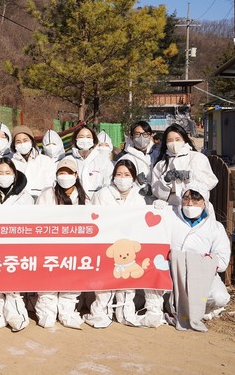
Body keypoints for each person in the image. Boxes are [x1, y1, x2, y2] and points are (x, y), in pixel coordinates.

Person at [88, 159, 147, 328]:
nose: (122, 178)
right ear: (113, 176)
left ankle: (125, 312)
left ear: (133, 177)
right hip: (106, 244)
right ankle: (101, 312)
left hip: (128, 246)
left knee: (127, 279)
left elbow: (141, 222)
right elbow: (94, 217)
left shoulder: (138, 198)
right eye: (119, 174)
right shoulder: (102, 194)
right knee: (104, 280)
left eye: (127, 175)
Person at [0, 158, 34, 332]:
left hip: (15, 243)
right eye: (0, 173)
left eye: (8, 173)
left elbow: (28, 222)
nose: (4, 176)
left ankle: (16, 314)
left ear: (15, 175)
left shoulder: (25, 196)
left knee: (13, 279)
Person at [35, 157, 88, 329]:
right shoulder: (47, 194)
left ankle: (67, 312)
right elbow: (38, 219)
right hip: (50, 245)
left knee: (71, 279)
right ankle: (46, 312)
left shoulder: (84, 197)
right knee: (48, 280)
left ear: (76, 175)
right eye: (61, 173)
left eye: (69, 173)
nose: (65, 176)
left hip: (74, 247)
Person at [168, 182, 231, 327]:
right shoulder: (170, 218)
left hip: (202, 276)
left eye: (196, 200)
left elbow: (222, 262)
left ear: (204, 202)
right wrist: (155, 210)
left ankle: (203, 310)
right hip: (173, 274)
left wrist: (195, 262)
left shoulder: (215, 227)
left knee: (219, 297)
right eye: (186, 199)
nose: (190, 204)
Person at [151, 124, 218, 207]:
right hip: (170, 207)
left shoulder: (197, 157)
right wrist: (165, 181)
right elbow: (155, 191)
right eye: (170, 140)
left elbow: (211, 181)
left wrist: (190, 175)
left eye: (177, 139)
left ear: (184, 139)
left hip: (194, 206)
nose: (174, 143)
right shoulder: (161, 164)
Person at [116, 120, 159, 202]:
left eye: (145, 134)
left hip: (154, 202)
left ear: (150, 136)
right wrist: (138, 185)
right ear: (132, 136)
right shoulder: (126, 158)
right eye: (137, 134)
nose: (141, 137)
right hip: (135, 202)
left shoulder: (157, 156)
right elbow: (119, 182)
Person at [10, 125, 55, 202]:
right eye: (18, 142)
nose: (22, 144)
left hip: (43, 201)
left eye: (25, 140)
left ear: (31, 141)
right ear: (14, 145)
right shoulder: (11, 163)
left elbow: (51, 183)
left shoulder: (45, 161)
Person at [68, 124, 113, 200]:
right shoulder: (69, 160)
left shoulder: (103, 161)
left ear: (94, 140)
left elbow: (109, 184)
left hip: (97, 203)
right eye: (81, 137)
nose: (85, 140)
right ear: (75, 139)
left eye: (88, 137)